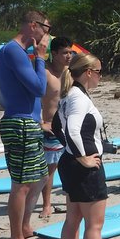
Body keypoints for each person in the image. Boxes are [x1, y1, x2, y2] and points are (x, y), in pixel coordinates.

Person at [55, 52, 120, 239]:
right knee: (94, 226)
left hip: (69, 163)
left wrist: (71, 152)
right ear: (88, 73)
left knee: (73, 218)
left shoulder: (69, 95)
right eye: (98, 71)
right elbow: (73, 131)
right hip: (84, 167)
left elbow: (57, 125)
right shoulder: (78, 98)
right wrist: (83, 159)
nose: (100, 76)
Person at [0, 10, 50, 239]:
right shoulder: (13, 50)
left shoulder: (19, 52)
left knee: (40, 177)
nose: (47, 34)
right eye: (45, 29)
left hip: (29, 123)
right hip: (19, 124)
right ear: (33, 26)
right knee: (21, 185)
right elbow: (39, 88)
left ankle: (25, 227)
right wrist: (40, 57)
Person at [39, 36, 74, 218]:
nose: (69, 56)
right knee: (50, 169)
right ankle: (46, 205)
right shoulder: (44, 72)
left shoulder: (70, 73)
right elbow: (34, 98)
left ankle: (70, 201)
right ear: (54, 54)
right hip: (51, 128)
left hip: (69, 127)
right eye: (65, 53)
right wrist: (40, 122)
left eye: (71, 52)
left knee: (69, 167)